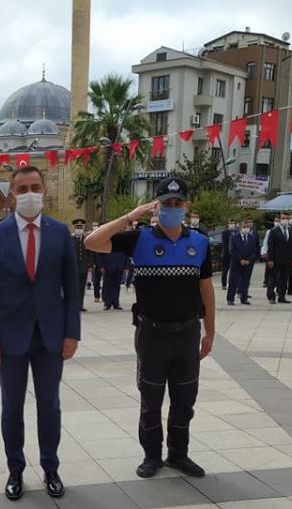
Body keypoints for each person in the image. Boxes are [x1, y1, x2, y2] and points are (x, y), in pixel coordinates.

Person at [85, 176, 214, 479]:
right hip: (152, 334)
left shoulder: (200, 241)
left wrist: (210, 331)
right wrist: (131, 216)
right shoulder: (139, 238)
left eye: (177, 203)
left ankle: (178, 455)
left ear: (186, 205)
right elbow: (92, 241)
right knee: (151, 400)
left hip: (187, 333)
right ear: (156, 206)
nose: (172, 208)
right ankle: (152, 456)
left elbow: (206, 290)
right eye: (166, 203)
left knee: (184, 400)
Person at [0, 165, 80, 501]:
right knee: (12, 408)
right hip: (9, 339)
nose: (29, 194)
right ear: (12, 194)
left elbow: (71, 287)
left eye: (35, 187)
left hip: (51, 336)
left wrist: (71, 333)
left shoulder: (60, 232)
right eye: (22, 189)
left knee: (50, 405)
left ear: (44, 190)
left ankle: (51, 467)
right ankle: (15, 469)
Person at [227, 220, 260, 306]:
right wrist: (240, 260)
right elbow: (232, 250)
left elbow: (254, 251)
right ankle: (230, 299)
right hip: (236, 263)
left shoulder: (252, 237)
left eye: (247, 227)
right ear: (240, 228)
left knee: (246, 281)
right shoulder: (234, 237)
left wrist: (249, 260)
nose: (246, 228)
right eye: (244, 227)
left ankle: (244, 298)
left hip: (248, 263)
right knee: (233, 281)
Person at [266, 213, 292, 305]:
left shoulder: (291, 231)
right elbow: (270, 247)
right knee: (273, 279)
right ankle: (271, 296)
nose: (285, 220)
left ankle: (282, 296)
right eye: (283, 218)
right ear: (279, 219)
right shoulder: (274, 231)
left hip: (287, 260)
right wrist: (270, 259)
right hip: (275, 260)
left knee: (284, 279)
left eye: (287, 218)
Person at [71, 218, 92, 312]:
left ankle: (80, 305)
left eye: (81, 227)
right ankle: (73, 305)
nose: (79, 229)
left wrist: (90, 265)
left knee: (81, 287)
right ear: (74, 228)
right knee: (73, 287)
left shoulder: (86, 239)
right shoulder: (70, 239)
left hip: (83, 267)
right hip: (73, 267)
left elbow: (90, 253)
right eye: (77, 227)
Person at [101, 236, 128, 311]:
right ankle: (107, 303)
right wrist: (101, 265)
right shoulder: (106, 240)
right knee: (108, 285)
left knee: (117, 285)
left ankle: (116, 302)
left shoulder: (123, 240)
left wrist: (126, 266)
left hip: (120, 265)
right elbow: (100, 254)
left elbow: (126, 254)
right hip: (108, 265)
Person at [220, 221, 235, 289]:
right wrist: (230, 251)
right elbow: (225, 244)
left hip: (234, 255)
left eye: (233, 224)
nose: (232, 225)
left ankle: (232, 284)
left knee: (234, 271)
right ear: (228, 224)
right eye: (231, 224)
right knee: (225, 270)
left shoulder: (237, 232)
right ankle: (224, 284)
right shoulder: (224, 233)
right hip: (226, 254)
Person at [91, 221, 103, 302]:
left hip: (104, 263)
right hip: (96, 263)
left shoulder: (103, 237)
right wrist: (93, 263)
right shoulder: (91, 238)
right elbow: (91, 253)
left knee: (106, 282)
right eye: (94, 226)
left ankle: (105, 296)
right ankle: (97, 296)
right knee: (96, 281)